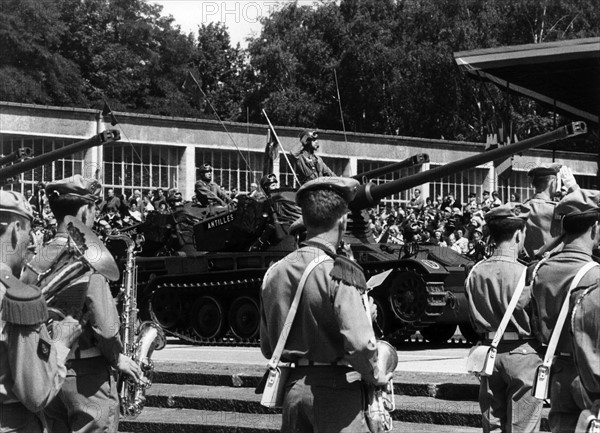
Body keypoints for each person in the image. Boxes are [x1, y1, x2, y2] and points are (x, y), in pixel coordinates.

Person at [260, 176, 392, 432]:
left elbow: (268, 347)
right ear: (342, 219)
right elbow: (359, 345)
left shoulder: (274, 272)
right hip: (335, 393)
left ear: (306, 219)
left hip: (293, 390)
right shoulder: (341, 272)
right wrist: (378, 375)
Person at [21, 175, 142, 433]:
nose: (96, 213)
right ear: (85, 211)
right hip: (88, 378)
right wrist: (117, 356)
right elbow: (107, 329)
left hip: (49, 370)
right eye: (94, 207)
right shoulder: (89, 256)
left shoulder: (34, 262)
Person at [0, 190, 81, 432]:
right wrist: (59, 344)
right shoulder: (17, 296)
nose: (30, 242)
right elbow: (36, 394)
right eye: (28, 231)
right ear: (15, 230)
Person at [465, 202, 543, 433]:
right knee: (523, 427)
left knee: (492, 426)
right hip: (523, 353)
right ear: (519, 234)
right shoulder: (527, 273)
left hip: (489, 355)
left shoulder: (475, 271)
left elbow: (471, 318)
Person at [531, 189, 600, 433]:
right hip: (590, 375)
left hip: (557, 370)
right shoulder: (596, 275)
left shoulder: (541, 270)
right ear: (595, 228)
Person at [523, 164, 578, 259]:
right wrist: (573, 188)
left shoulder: (523, 208)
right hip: (555, 265)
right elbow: (591, 211)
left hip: (527, 265)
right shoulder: (560, 210)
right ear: (553, 183)